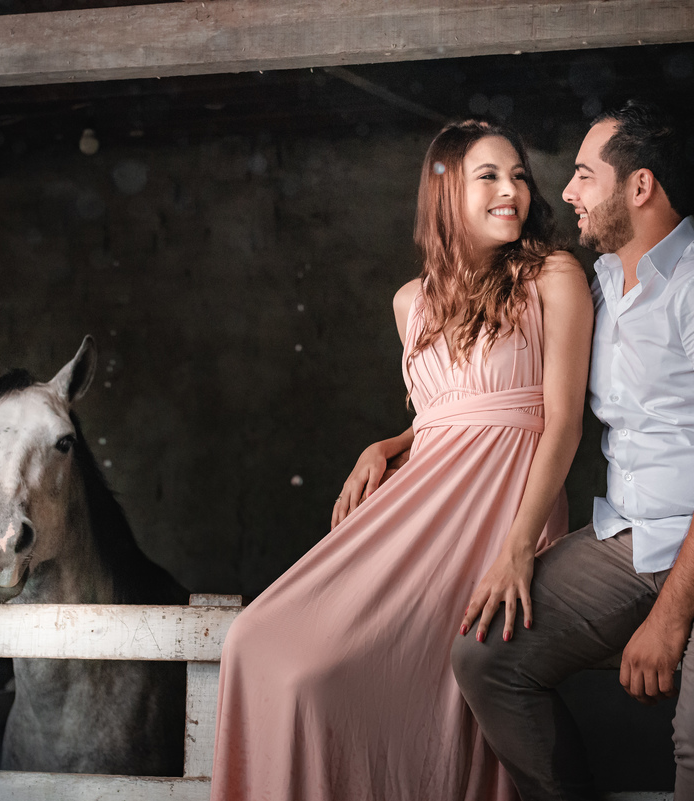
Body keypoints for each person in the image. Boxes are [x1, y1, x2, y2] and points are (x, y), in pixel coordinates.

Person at [449, 100, 694, 801]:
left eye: (584, 175)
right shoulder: (596, 286)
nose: (567, 191)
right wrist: (400, 441)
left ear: (640, 186)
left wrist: (669, 617)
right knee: (486, 655)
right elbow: (503, 388)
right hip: (633, 534)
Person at [209, 119, 593, 801]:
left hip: (503, 516)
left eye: (519, 176)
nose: (512, 191)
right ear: (445, 193)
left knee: (379, 679)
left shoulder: (554, 276)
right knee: (255, 641)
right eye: (488, 176)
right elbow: (447, 414)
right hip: (420, 508)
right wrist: (389, 445)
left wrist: (517, 549)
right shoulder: (409, 303)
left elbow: (560, 421)